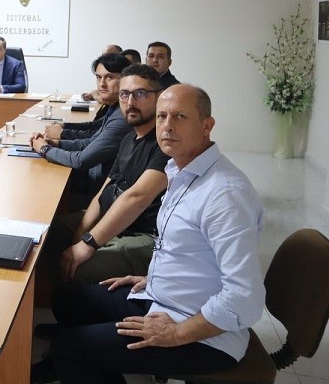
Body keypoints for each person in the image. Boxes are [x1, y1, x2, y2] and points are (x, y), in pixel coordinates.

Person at [32, 85, 265, 384]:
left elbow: (244, 299)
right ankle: (86, 360)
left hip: (201, 334)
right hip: (162, 297)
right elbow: (187, 249)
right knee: (68, 300)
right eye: (162, 116)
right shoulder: (180, 171)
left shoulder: (225, 194)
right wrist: (153, 278)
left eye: (180, 116)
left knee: (69, 348)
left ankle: (73, 358)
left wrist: (175, 334)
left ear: (207, 126)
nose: (167, 126)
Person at [38, 65, 167, 297]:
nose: (130, 102)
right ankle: (49, 301)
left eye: (140, 94)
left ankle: (73, 305)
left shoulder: (164, 144)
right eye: (124, 94)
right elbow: (105, 189)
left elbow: (136, 198)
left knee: (78, 267)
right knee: (47, 234)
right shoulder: (129, 137)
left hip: (143, 235)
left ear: (158, 96)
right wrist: (81, 232)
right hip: (113, 218)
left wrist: (87, 243)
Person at [31, 53, 132, 208]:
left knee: (42, 186)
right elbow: (91, 140)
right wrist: (56, 143)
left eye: (109, 77)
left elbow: (82, 160)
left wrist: (45, 149)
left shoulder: (122, 116)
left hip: (98, 188)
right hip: (94, 175)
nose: (102, 84)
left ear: (124, 79)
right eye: (98, 77)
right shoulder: (116, 107)